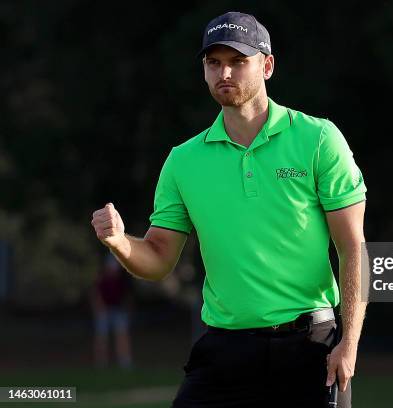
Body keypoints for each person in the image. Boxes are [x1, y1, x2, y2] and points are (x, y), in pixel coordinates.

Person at [90, 11, 367, 407]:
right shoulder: (183, 161)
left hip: (309, 347)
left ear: (266, 65)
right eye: (214, 62)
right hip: (224, 351)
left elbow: (352, 247)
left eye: (238, 61)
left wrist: (349, 343)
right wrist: (119, 241)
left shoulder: (319, 139)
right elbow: (158, 259)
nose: (225, 72)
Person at [90, 254, 133, 369]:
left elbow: (126, 296)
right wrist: (98, 308)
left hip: (118, 310)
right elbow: (96, 294)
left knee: (122, 336)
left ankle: (125, 362)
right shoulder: (101, 278)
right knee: (101, 337)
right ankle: (101, 363)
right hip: (104, 310)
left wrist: (126, 308)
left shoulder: (122, 279)